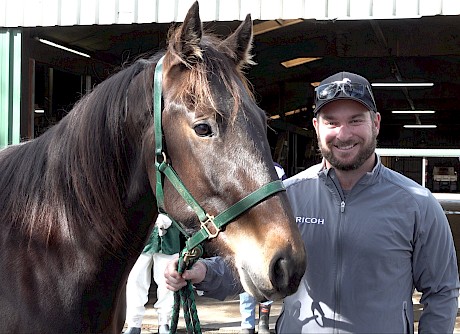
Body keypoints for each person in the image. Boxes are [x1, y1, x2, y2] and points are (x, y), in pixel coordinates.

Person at [164, 71, 460, 333]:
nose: (343, 134)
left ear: (376, 123)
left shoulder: (417, 205)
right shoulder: (287, 197)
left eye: (355, 121)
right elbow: (257, 268)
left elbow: (442, 291)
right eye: (332, 122)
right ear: (317, 127)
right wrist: (204, 273)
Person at [239, 163, 286, 334]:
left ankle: (263, 321)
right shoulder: (238, 166)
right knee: (244, 279)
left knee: (267, 277)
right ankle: (247, 322)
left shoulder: (277, 170)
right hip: (246, 230)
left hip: (269, 230)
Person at [124, 214, 181, 334]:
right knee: (135, 279)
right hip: (142, 233)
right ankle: (134, 324)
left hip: (169, 235)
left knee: (168, 280)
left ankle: (165, 323)